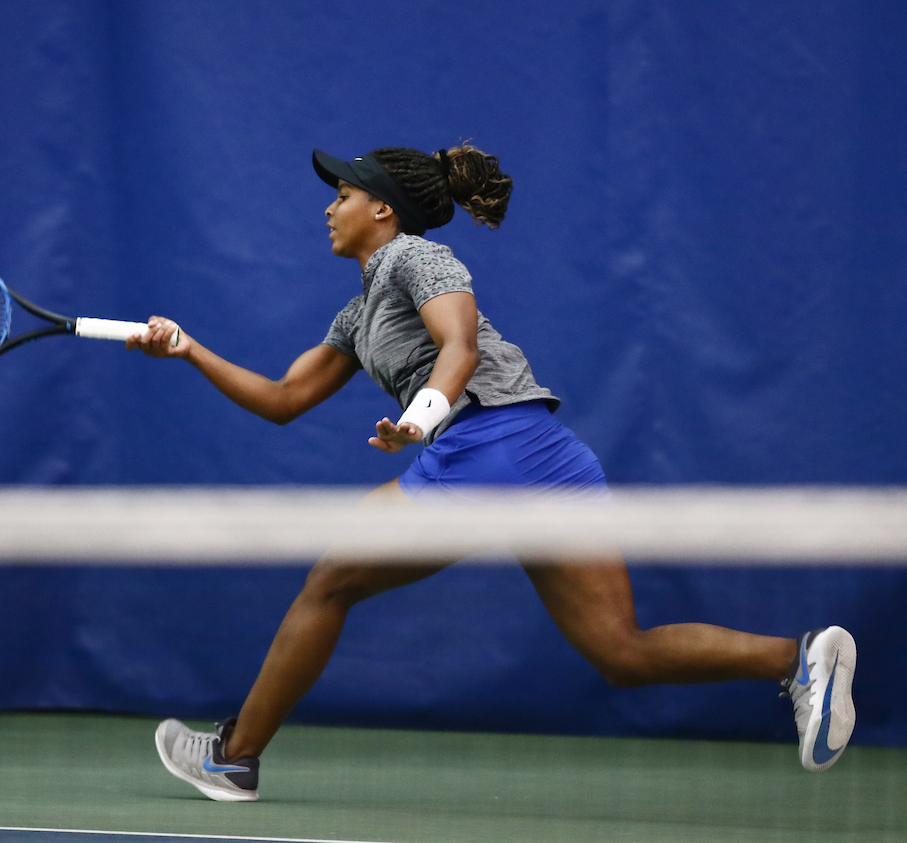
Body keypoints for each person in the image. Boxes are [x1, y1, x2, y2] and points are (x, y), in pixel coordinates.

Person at [129, 144, 858, 802]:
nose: (330, 206)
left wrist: (420, 418)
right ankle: (798, 661)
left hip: (491, 447)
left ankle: (234, 756)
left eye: (343, 193)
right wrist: (190, 349)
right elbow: (285, 398)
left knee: (330, 581)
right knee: (621, 651)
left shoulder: (420, 257)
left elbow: (461, 344)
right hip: (550, 456)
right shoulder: (357, 315)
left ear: (382, 208)